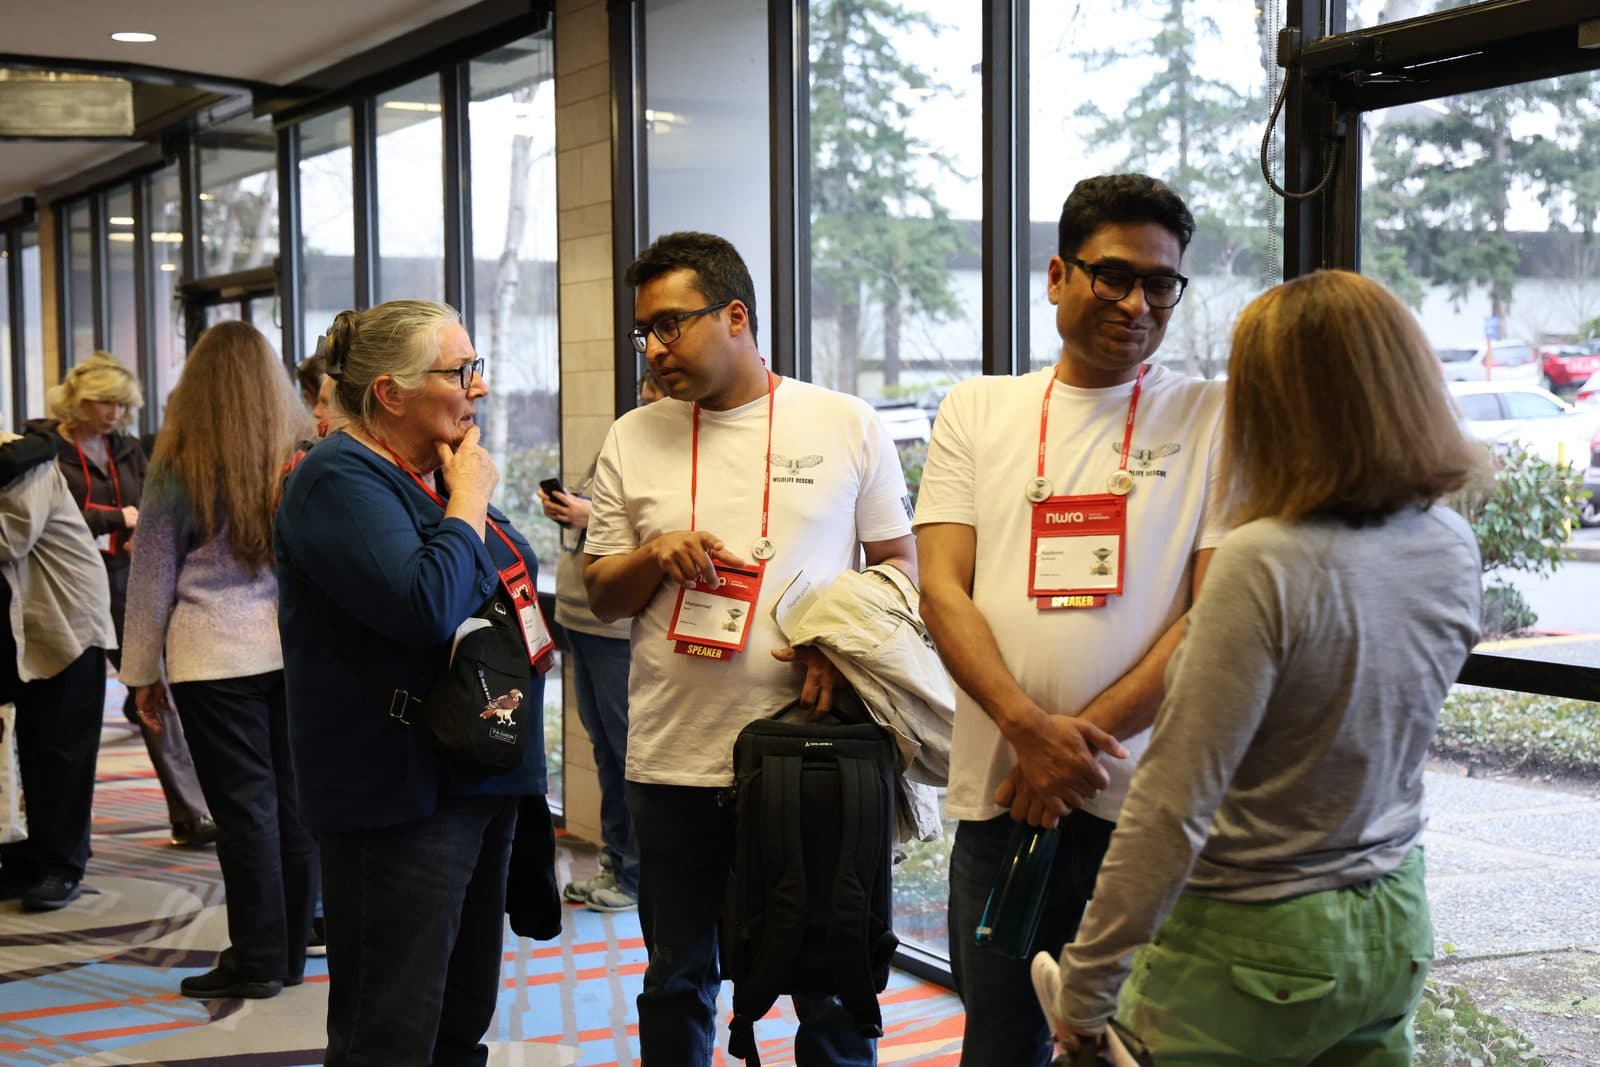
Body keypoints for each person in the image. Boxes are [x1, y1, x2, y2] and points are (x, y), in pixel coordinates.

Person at [1034, 269, 1487, 1065]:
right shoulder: (1450, 542)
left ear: (1276, 407)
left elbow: (1171, 804)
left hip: (1250, 944)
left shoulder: (1265, 561)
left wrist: (1085, 989)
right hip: (1392, 920)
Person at [913, 173, 1226, 1065]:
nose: (1137, 303)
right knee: (1001, 1040)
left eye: (1160, 283)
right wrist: (1027, 731)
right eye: (1113, 276)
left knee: (1135, 1047)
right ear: (1057, 276)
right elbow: (942, 590)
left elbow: (1211, 613)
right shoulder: (978, 409)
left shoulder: (1211, 414)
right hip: (1003, 795)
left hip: (1146, 812)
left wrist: (1066, 755)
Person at [583, 231, 916, 1066]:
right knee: (676, 978)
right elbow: (601, 593)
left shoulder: (845, 422)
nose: (654, 348)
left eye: (670, 325)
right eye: (644, 332)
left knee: (831, 982)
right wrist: (653, 555)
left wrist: (839, 646)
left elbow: (900, 565)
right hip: (672, 759)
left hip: (814, 752)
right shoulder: (631, 436)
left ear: (736, 315)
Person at [276, 300, 548, 1065]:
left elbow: (497, 574)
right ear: (390, 393)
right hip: (398, 794)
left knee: (460, 1021)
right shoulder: (337, 478)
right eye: (460, 371)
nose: (478, 387)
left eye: (476, 367)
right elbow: (425, 603)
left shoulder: (432, 471)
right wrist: (471, 497)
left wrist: (464, 494)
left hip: (476, 771)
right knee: (389, 1031)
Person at [120, 322, 317, 1000]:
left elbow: (152, 575)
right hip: (291, 652)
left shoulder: (181, 463)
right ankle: (290, 951)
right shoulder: (301, 457)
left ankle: (256, 959)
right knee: (294, 805)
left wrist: (140, 674)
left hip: (211, 658)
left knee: (244, 812)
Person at [27, 353, 215, 849]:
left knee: (157, 692)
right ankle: (52, 830)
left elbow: (154, 502)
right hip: (68, 589)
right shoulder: (45, 450)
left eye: (121, 405)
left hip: (129, 581)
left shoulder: (127, 449)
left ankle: (190, 812)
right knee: (65, 715)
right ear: (77, 400)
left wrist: (144, 527)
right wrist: (118, 518)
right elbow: (52, 516)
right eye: (104, 403)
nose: (114, 414)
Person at [544, 371, 663, 914]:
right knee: (604, 749)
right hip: (579, 618)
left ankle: (634, 875)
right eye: (642, 398)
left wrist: (588, 515)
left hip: (617, 630)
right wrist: (572, 509)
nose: (647, 407)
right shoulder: (623, 442)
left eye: (657, 397)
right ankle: (617, 862)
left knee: (625, 751)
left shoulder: (672, 458)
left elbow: (651, 534)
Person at [0, 431, 117, 911]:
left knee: (63, 749)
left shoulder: (25, 462)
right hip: (27, 630)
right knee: (28, 745)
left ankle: (63, 866)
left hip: (67, 624)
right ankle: (29, 860)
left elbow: (9, 538)